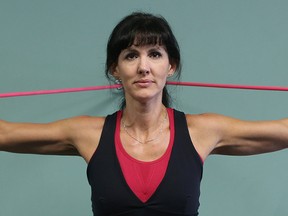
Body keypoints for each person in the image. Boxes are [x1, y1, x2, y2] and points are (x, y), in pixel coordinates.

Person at [0, 12, 287, 216]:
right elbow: (5, 134)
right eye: (131, 55)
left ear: (170, 66)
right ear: (115, 69)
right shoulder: (87, 133)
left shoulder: (203, 130)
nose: (143, 67)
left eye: (155, 54)